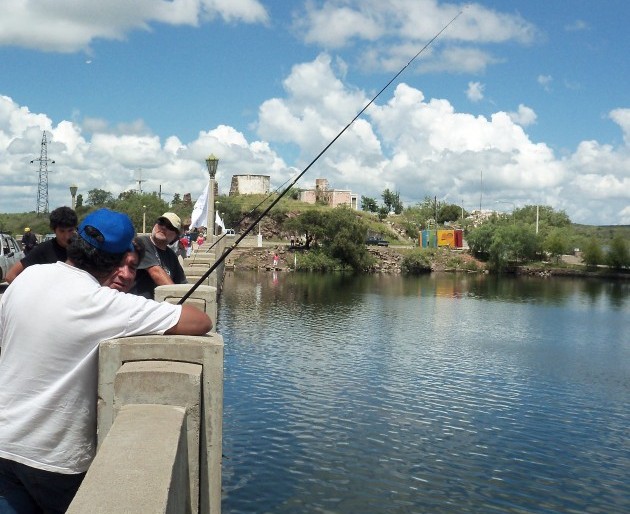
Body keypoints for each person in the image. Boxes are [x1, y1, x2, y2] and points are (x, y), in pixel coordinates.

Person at [0, 208, 211, 513]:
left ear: (75, 239)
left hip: (4, 445)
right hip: (55, 462)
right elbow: (199, 321)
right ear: (116, 259)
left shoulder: (29, 276)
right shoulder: (105, 304)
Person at [6, 206, 78, 283]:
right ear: (54, 230)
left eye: (70, 230)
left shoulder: (82, 250)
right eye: (62, 231)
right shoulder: (43, 249)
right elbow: (10, 276)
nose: (66, 236)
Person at [132, 212, 187, 299]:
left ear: (175, 236)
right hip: (138, 307)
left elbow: (181, 283)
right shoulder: (141, 243)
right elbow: (156, 272)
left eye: (169, 227)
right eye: (161, 222)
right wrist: (177, 298)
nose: (163, 227)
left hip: (158, 307)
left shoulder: (171, 255)